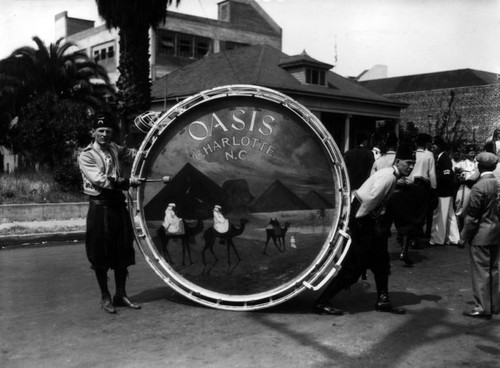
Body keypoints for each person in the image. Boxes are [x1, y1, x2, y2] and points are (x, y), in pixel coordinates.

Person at [313, 144, 415, 316]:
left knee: (381, 263)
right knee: (353, 269)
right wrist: (357, 226)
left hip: (367, 220)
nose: (411, 166)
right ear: (398, 161)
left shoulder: (390, 175)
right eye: (408, 162)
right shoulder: (389, 177)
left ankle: (383, 300)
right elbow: (369, 201)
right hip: (362, 219)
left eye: (413, 163)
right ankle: (321, 302)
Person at [78, 114, 142, 314]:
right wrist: (128, 182)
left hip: (117, 205)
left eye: (107, 131)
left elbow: (134, 154)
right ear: (93, 132)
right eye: (100, 131)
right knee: (100, 254)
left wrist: (153, 144)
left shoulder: (115, 148)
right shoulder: (86, 155)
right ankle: (105, 297)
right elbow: (100, 180)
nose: (104, 134)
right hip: (100, 207)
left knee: (122, 250)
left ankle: (120, 295)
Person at [459, 152, 500, 319]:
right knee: (494, 269)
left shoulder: (479, 187)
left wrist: (463, 236)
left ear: (479, 166)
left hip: (480, 234)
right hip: (496, 231)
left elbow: (472, 216)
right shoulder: (498, 185)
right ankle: (494, 304)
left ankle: (482, 306)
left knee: (480, 271)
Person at [403, 133, 437, 255]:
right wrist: (434, 187)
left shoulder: (412, 154)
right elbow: (432, 173)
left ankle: (409, 237)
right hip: (422, 185)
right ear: (426, 143)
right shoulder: (429, 155)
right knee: (421, 213)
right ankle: (415, 238)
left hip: (410, 184)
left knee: (411, 211)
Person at [429, 136, 460, 246]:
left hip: (444, 191)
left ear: (440, 147)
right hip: (447, 192)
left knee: (440, 215)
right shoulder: (440, 157)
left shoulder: (444, 158)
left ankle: (438, 238)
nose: (433, 147)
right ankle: (453, 238)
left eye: (435, 146)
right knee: (450, 216)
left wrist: (434, 178)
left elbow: (447, 176)